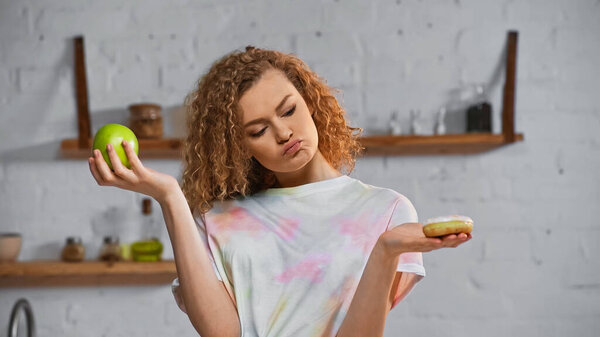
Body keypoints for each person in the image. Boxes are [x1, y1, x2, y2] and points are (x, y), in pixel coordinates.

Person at [88, 46, 472, 337]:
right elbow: (223, 334)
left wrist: (387, 249)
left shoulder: (386, 211)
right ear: (240, 147)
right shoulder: (218, 220)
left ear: (310, 102)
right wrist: (170, 197)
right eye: (258, 130)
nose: (284, 133)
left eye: (288, 110)